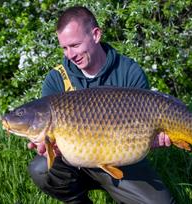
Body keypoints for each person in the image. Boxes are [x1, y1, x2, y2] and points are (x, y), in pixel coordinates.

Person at [28, 6, 175, 204]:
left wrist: (155, 138)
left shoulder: (128, 71)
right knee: (40, 169)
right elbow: (48, 136)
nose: (70, 54)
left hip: (122, 162)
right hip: (74, 164)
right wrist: (46, 145)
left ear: (96, 35)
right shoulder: (56, 79)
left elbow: (145, 130)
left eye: (75, 45)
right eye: (64, 48)